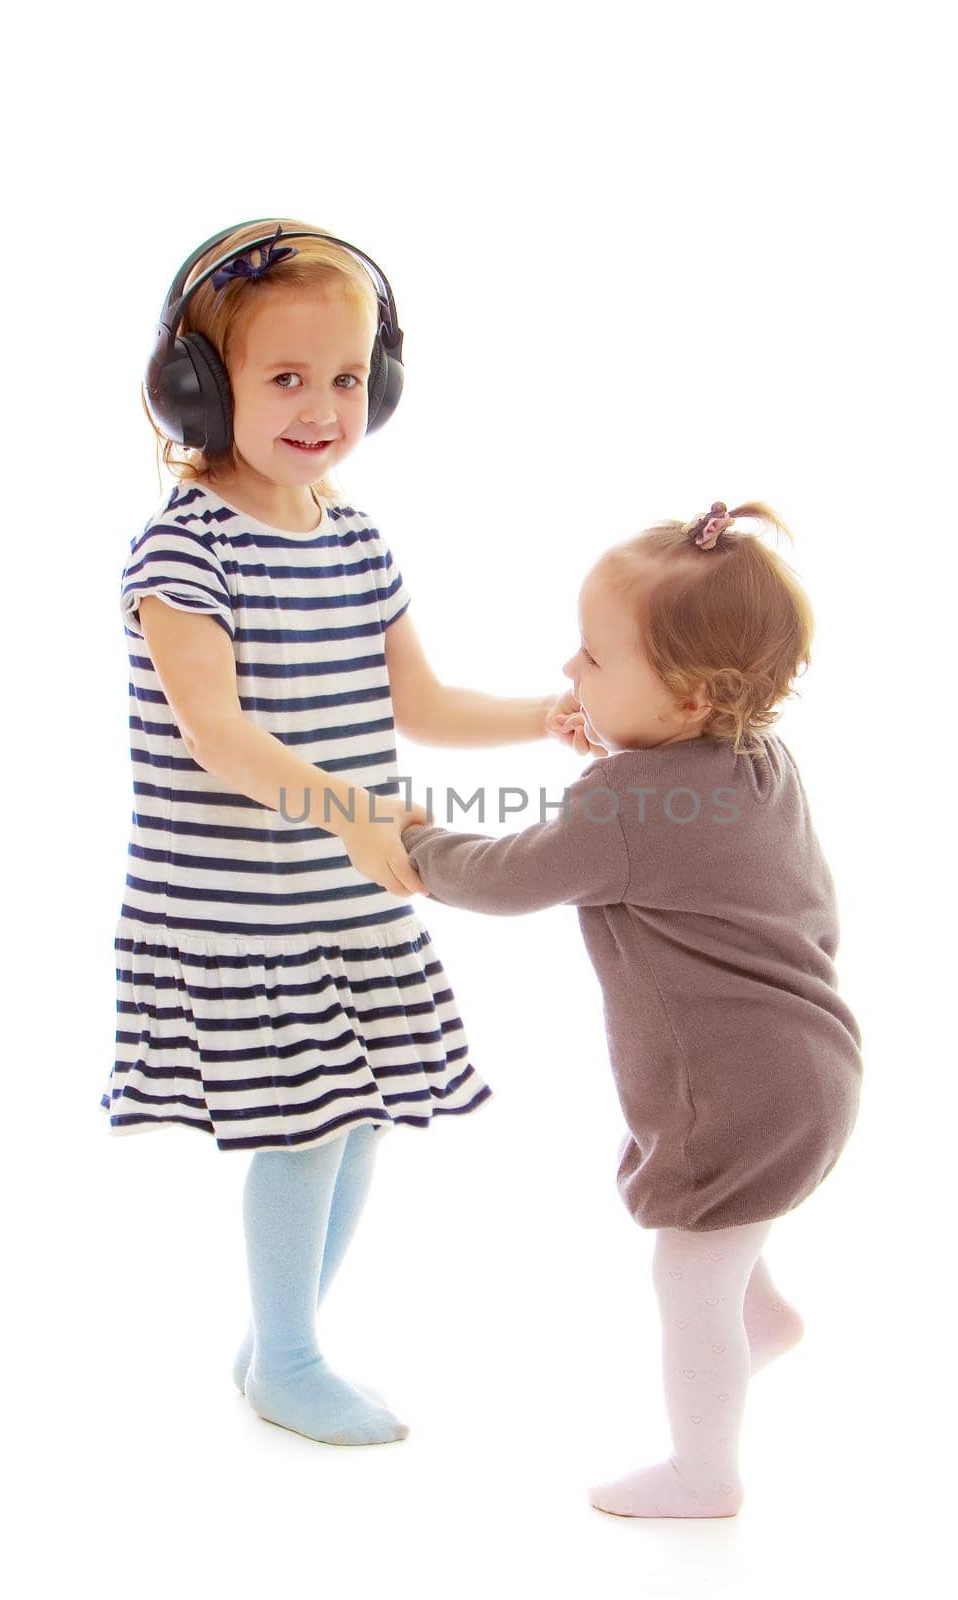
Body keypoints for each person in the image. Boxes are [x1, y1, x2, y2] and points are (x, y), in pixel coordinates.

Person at [100, 217, 599, 1448]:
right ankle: (290, 1353)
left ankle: (279, 1335)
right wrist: (355, 810)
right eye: (283, 378)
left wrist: (548, 715)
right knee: (306, 1127)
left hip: (346, 898)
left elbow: (416, 705)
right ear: (198, 389)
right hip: (241, 904)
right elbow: (218, 733)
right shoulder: (184, 549)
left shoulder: (358, 539)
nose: (323, 406)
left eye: (345, 377)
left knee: (361, 1113)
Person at [401, 501, 863, 1517]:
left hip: (735, 1091)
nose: (569, 671)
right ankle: (764, 1317)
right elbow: (709, 853)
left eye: (592, 660)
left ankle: (704, 1470)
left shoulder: (627, 804)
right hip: (811, 1068)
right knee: (723, 1234)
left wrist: (420, 847)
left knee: (684, 1276)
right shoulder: (756, 764)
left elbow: (514, 873)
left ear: (689, 696)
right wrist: (617, 763)